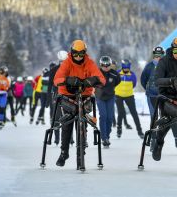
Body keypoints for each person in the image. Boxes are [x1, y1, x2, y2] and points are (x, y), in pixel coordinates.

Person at [53, 39, 106, 167]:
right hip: (68, 95)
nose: (78, 57)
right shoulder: (66, 63)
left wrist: (92, 80)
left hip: (84, 96)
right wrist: (68, 80)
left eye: (81, 54)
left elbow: (102, 79)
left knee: (82, 122)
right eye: (75, 54)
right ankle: (64, 152)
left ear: (84, 53)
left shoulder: (89, 63)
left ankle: (80, 154)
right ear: (71, 53)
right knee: (67, 123)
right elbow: (56, 80)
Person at [141, 46, 177, 152]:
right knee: (154, 119)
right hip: (152, 96)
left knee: (171, 118)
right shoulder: (149, 66)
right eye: (156, 56)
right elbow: (143, 79)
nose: (158, 58)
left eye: (160, 56)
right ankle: (153, 142)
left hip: (165, 96)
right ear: (153, 55)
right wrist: (149, 89)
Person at [95, 56, 121, 147]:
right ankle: (104, 138)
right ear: (100, 65)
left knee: (110, 117)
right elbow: (92, 82)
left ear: (110, 65)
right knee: (103, 116)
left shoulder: (114, 74)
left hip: (110, 97)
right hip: (100, 97)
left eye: (107, 65)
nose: (105, 67)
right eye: (103, 65)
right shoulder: (97, 73)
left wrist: (109, 89)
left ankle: (107, 135)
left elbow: (118, 82)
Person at [114, 59, 144, 139]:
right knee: (121, 113)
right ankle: (119, 130)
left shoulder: (132, 75)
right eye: (125, 68)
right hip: (118, 95)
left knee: (134, 113)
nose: (126, 69)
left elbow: (134, 84)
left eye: (128, 68)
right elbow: (114, 82)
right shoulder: (117, 73)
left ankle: (140, 131)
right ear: (123, 67)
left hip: (129, 95)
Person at [47, 50, 68, 145]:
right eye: (61, 61)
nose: (63, 63)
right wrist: (48, 98)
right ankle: (56, 138)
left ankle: (69, 137)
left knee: (68, 116)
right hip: (57, 95)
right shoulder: (53, 70)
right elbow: (49, 85)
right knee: (56, 116)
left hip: (68, 95)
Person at [110, 60, 132, 129]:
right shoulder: (108, 73)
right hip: (110, 93)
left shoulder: (117, 73)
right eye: (111, 66)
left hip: (117, 93)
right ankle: (113, 122)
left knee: (121, 109)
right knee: (111, 108)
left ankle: (125, 123)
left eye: (114, 66)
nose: (113, 67)